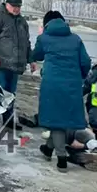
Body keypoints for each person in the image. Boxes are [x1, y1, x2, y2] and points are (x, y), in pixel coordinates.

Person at [32, 10, 91, 172]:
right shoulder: (76, 39)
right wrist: (80, 77)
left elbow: (36, 55)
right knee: (64, 119)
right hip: (72, 85)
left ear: (46, 24)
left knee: (56, 121)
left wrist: (41, 37)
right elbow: (85, 62)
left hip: (52, 84)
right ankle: (48, 149)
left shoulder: (44, 38)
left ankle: (61, 159)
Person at [0, 0, 36, 127]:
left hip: (16, 64)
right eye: (14, 6)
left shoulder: (22, 22)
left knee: (11, 94)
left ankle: (8, 119)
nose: (16, 9)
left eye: (18, 6)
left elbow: (26, 43)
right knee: (0, 92)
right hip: (0, 63)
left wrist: (31, 60)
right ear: (6, 4)